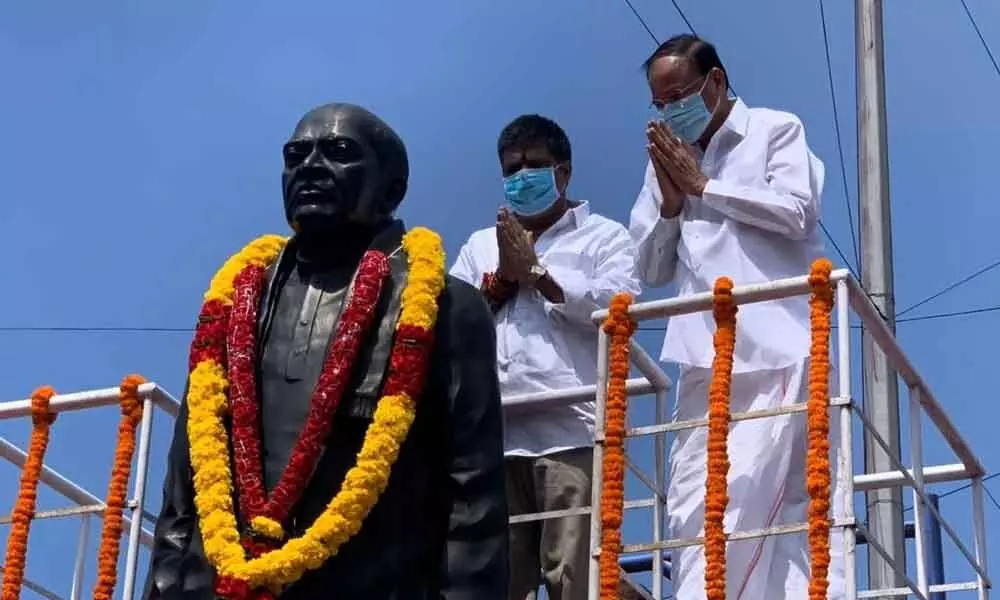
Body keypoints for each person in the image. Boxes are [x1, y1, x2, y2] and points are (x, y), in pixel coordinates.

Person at [143, 103, 509, 600]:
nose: (310, 167)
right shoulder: (232, 306)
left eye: (339, 153)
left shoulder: (444, 306)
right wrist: (165, 585)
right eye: (295, 156)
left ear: (392, 189)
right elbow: (183, 489)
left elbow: (473, 495)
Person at [627, 34, 846, 599]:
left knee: (786, 505)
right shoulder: (665, 165)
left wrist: (706, 187)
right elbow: (649, 269)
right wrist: (672, 207)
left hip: (781, 348)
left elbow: (798, 213)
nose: (672, 112)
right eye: (660, 105)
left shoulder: (775, 130)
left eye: (679, 95)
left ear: (716, 82)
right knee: (696, 502)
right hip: (703, 358)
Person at [450, 114, 641, 600]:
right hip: (496, 438)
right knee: (493, 582)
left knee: (573, 577)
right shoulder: (479, 246)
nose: (522, 176)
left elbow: (617, 310)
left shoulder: (605, 237)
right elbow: (454, 320)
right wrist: (502, 281)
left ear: (565, 170)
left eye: (535, 164)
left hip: (571, 433)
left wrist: (538, 275)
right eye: (511, 169)